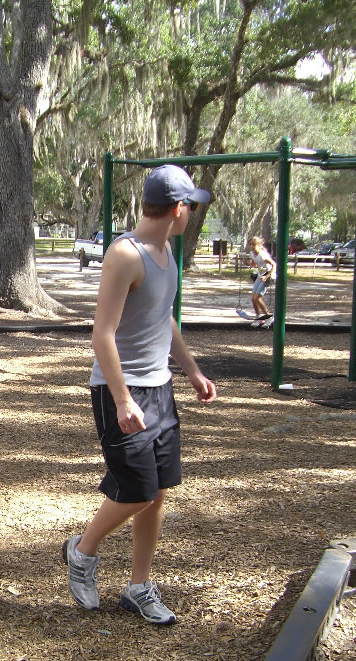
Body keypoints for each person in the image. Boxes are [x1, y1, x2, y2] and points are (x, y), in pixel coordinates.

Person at [63, 164, 217, 625]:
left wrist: (191, 370)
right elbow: (102, 334)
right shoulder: (125, 255)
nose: (192, 213)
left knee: (158, 492)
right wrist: (123, 399)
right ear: (178, 208)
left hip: (160, 388)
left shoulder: (167, 253)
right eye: (191, 206)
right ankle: (82, 551)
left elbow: (162, 318)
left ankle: (138, 586)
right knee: (137, 492)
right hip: (121, 391)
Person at [246, 236, 277, 321]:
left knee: (257, 298)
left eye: (253, 245)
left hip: (268, 276)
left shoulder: (263, 255)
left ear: (259, 245)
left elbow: (274, 265)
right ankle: (258, 316)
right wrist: (247, 263)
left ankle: (268, 315)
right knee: (253, 298)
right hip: (260, 276)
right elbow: (254, 264)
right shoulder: (252, 253)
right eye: (250, 245)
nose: (251, 247)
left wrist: (267, 276)